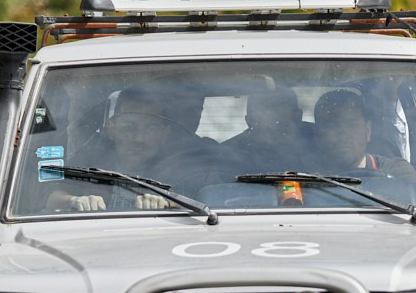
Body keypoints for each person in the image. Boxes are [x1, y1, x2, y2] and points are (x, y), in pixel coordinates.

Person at [46, 85, 226, 212]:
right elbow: (48, 199)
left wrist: (168, 204)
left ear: (165, 135)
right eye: (128, 128)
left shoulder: (184, 170)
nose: (138, 138)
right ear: (111, 129)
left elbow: (207, 209)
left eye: (150, 128)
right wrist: (74, 200)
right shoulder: (89, 160)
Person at [307, 89, 416, 185]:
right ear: (318, 134)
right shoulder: (301, 177)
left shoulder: (396, 173)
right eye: (332, 126)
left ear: (368, 131)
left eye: (352, 125)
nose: (343, 133)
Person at [222, 86, 307, 171]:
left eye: (281, 126)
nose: (274, 135)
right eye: (266, 128)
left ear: (298, 117)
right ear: (249, 122)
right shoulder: (227, 156)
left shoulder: (318, 147)